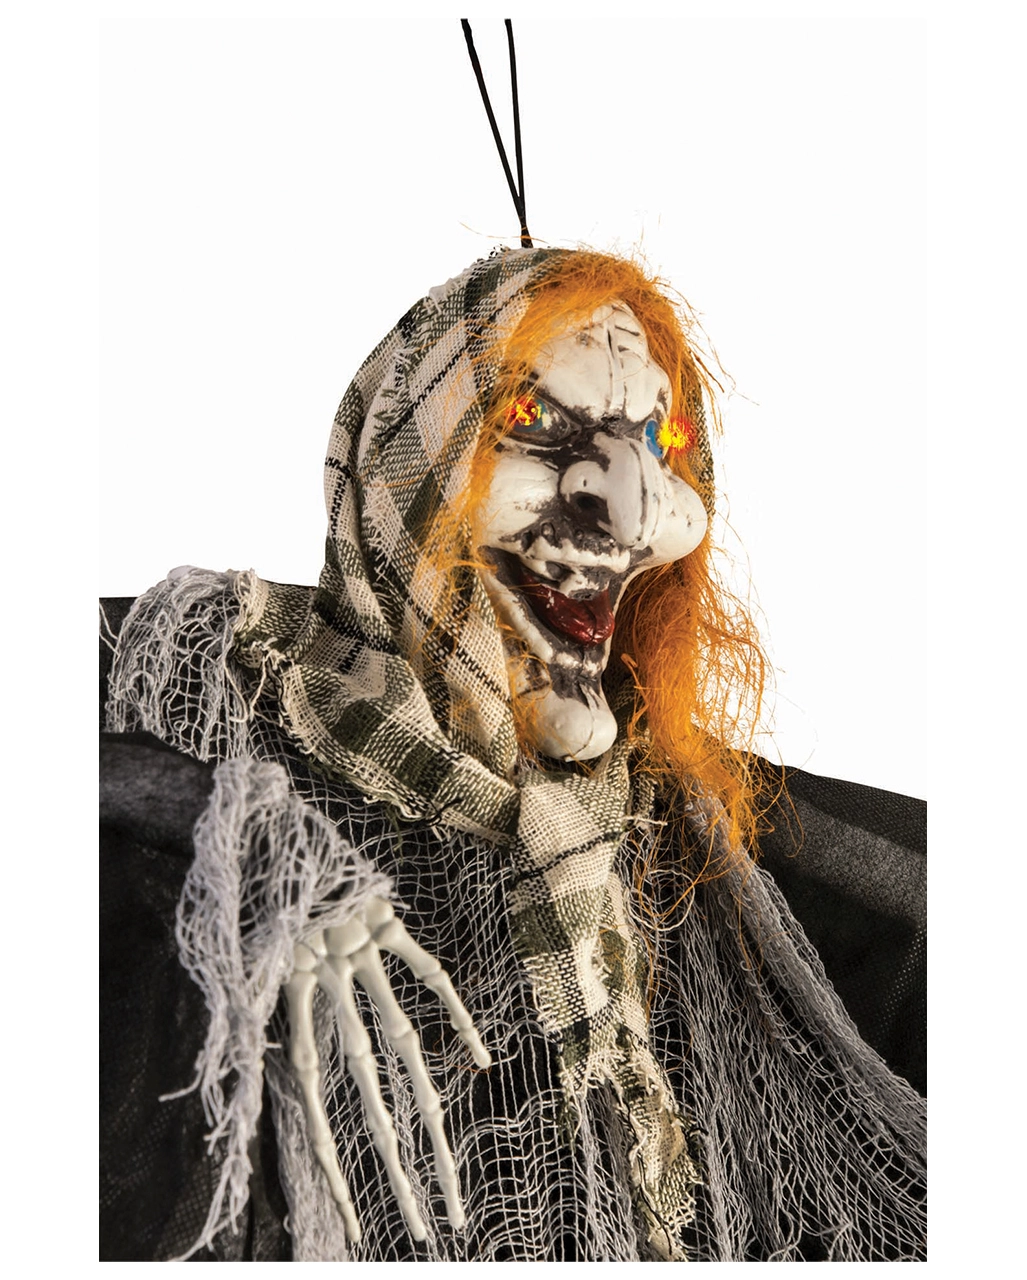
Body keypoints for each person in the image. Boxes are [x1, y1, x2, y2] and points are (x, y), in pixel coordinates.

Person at [100, 246, 926, 1261]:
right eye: (535, 420)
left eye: (658, 438)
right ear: (403, 478)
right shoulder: (191, 681)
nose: (630, 507)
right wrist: (201, 815)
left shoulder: (709, 847)